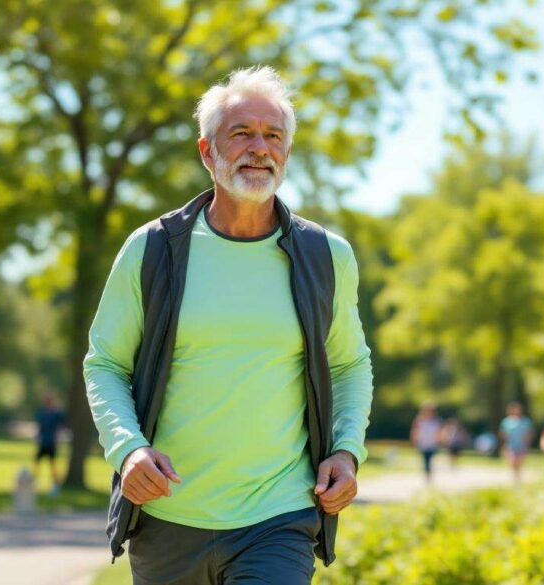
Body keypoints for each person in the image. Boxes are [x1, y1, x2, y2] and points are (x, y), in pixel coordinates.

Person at [83, 66, 374, 584]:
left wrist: (347, 451)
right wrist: (128, 449)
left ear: (287, 152)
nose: (259, 148)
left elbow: (349, 363)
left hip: (279, 516)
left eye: (273, 136)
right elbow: (106, 362)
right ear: (206, 151)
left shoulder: (326, 257)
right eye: (241, 133)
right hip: (167, 516)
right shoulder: (153, 249)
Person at [33, 392, 65, 496]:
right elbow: (40, 428)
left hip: (51, 443)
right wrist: (37, 437)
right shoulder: (41, 413)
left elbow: (59, 428)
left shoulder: (56, 414)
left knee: (53, 465)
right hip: (43, 442)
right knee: (36, 463)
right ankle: (33, 484)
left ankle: (56, 486)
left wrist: (58, 439)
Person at [499, 402, 533, 485]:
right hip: (510, 446)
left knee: (519, 463)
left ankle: (518, 480)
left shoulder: (525, 421)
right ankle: (515, 480)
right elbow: (503, 435)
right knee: (512, 462)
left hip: (521, 445)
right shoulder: (506, 421)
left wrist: (527, 446)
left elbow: (528, 434)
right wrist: (504, 446)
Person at [409, 401, 442, 482]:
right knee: (425, 460)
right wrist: (414, 440)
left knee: (430, 459)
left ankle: (429, 474)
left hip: (432, 444)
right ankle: (427, 475)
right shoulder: (419, 420)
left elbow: (439, 432)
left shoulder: (436, 421)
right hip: (423, 443)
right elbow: (415, 431)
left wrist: (439, 440)